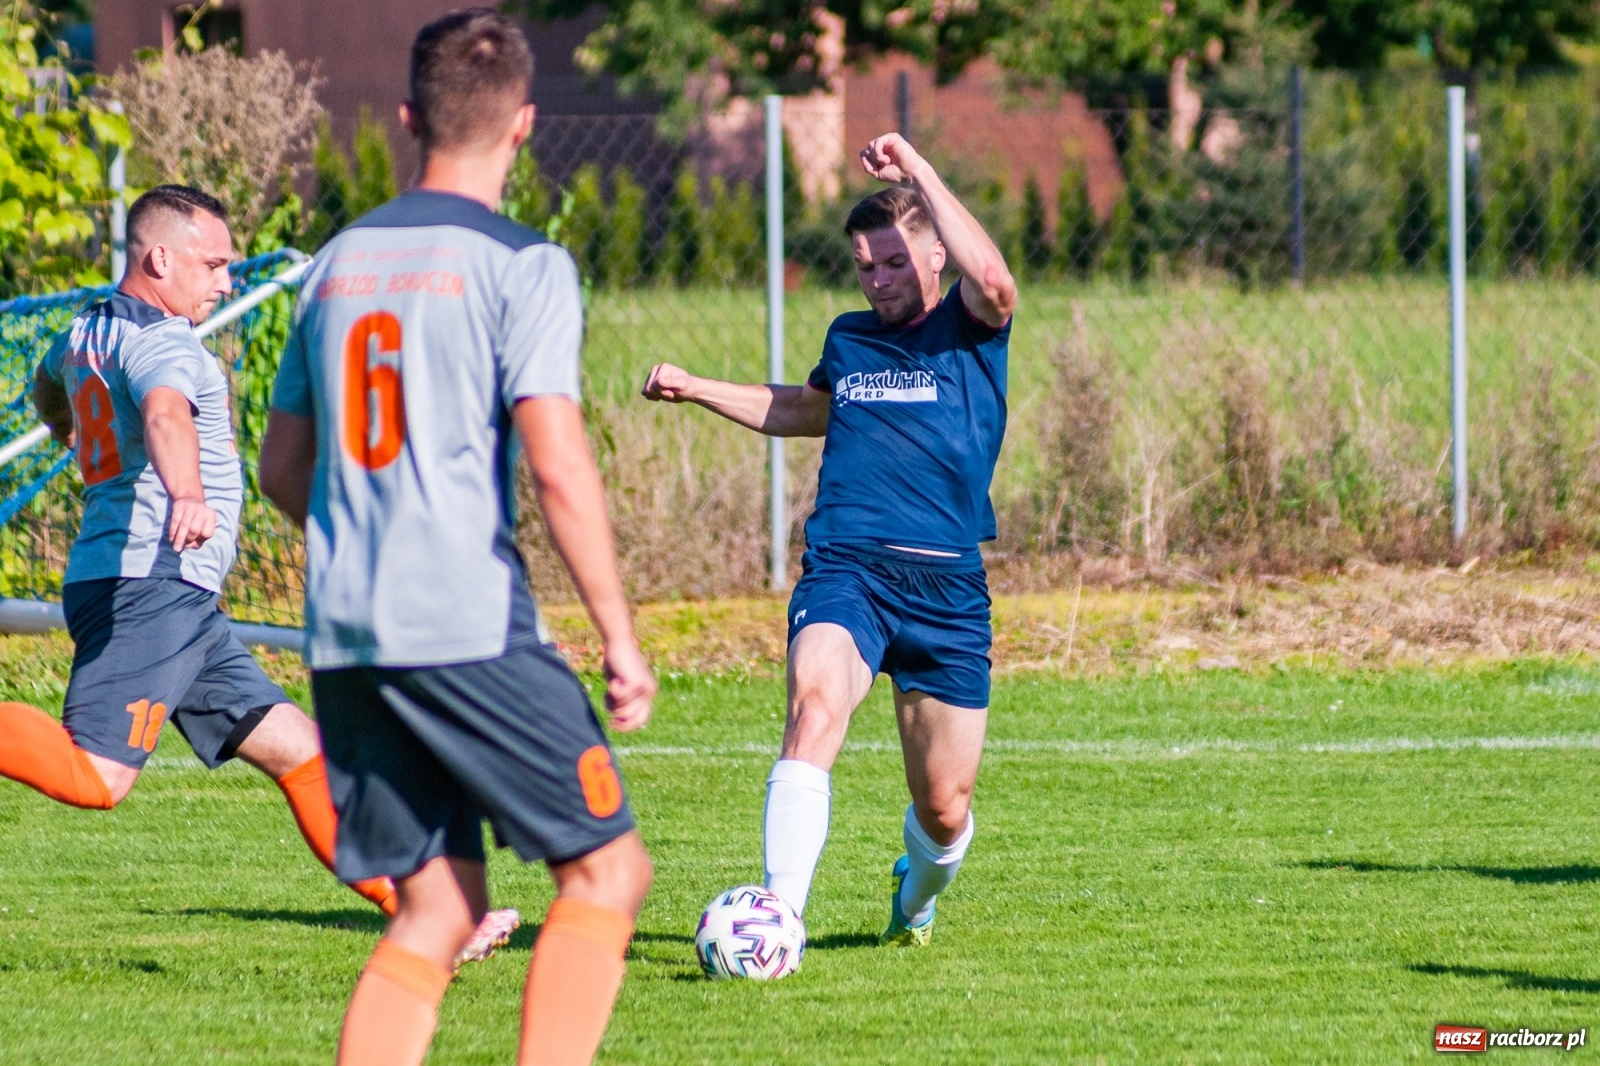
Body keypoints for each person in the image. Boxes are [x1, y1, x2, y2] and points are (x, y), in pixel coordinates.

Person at [258, 10, 656, 1065]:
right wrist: (618, 635)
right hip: (464, 621)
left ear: (407, 119)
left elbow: (280, 470)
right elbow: (558, 462)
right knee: (608, 872)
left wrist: (364, 537)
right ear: (523, 125)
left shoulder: (333, 264)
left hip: (345, 632)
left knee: (436, 910)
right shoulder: (522, 264)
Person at [6, 184, 517, 964]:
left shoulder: (85, 330)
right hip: (155, 583)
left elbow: (48, 386)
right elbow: (166, 414)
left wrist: (65, 429)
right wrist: (186, 492)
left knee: (301, 754)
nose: (225, 281)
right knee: (98, 777)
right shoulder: (166, 343)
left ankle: (437, 920)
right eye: (213, 264)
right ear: (160, 258)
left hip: (158, 591)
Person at [643, 133, 1016, 946]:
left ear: (936, 257)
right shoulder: (849, 339)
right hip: (849, 571)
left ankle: (914, 900)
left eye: (895, 262)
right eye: (864, 266)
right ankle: (780, 918)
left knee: (944, 809)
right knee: (813, 711)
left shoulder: (970, 327)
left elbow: (995, 279)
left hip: (948, 589)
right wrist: (697, 388)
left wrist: (920, 169)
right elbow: (805, 410)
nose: (878, 280)